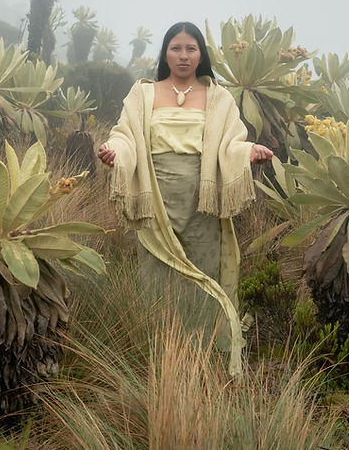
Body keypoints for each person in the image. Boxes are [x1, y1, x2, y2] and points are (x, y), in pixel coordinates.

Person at [97, 21, 273, 377]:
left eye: (191, 48)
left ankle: (204, 358)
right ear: (165, 53)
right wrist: (114, 152)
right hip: (155, 202)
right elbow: (125, 136)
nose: (183, 55)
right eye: (176, 48)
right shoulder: (143, 94)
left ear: (201, 54)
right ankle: (157, 355)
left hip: (202, 204)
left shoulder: (219, 97)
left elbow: (231, 143)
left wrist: (248, 151)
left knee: (203, 275)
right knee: (156, 277)